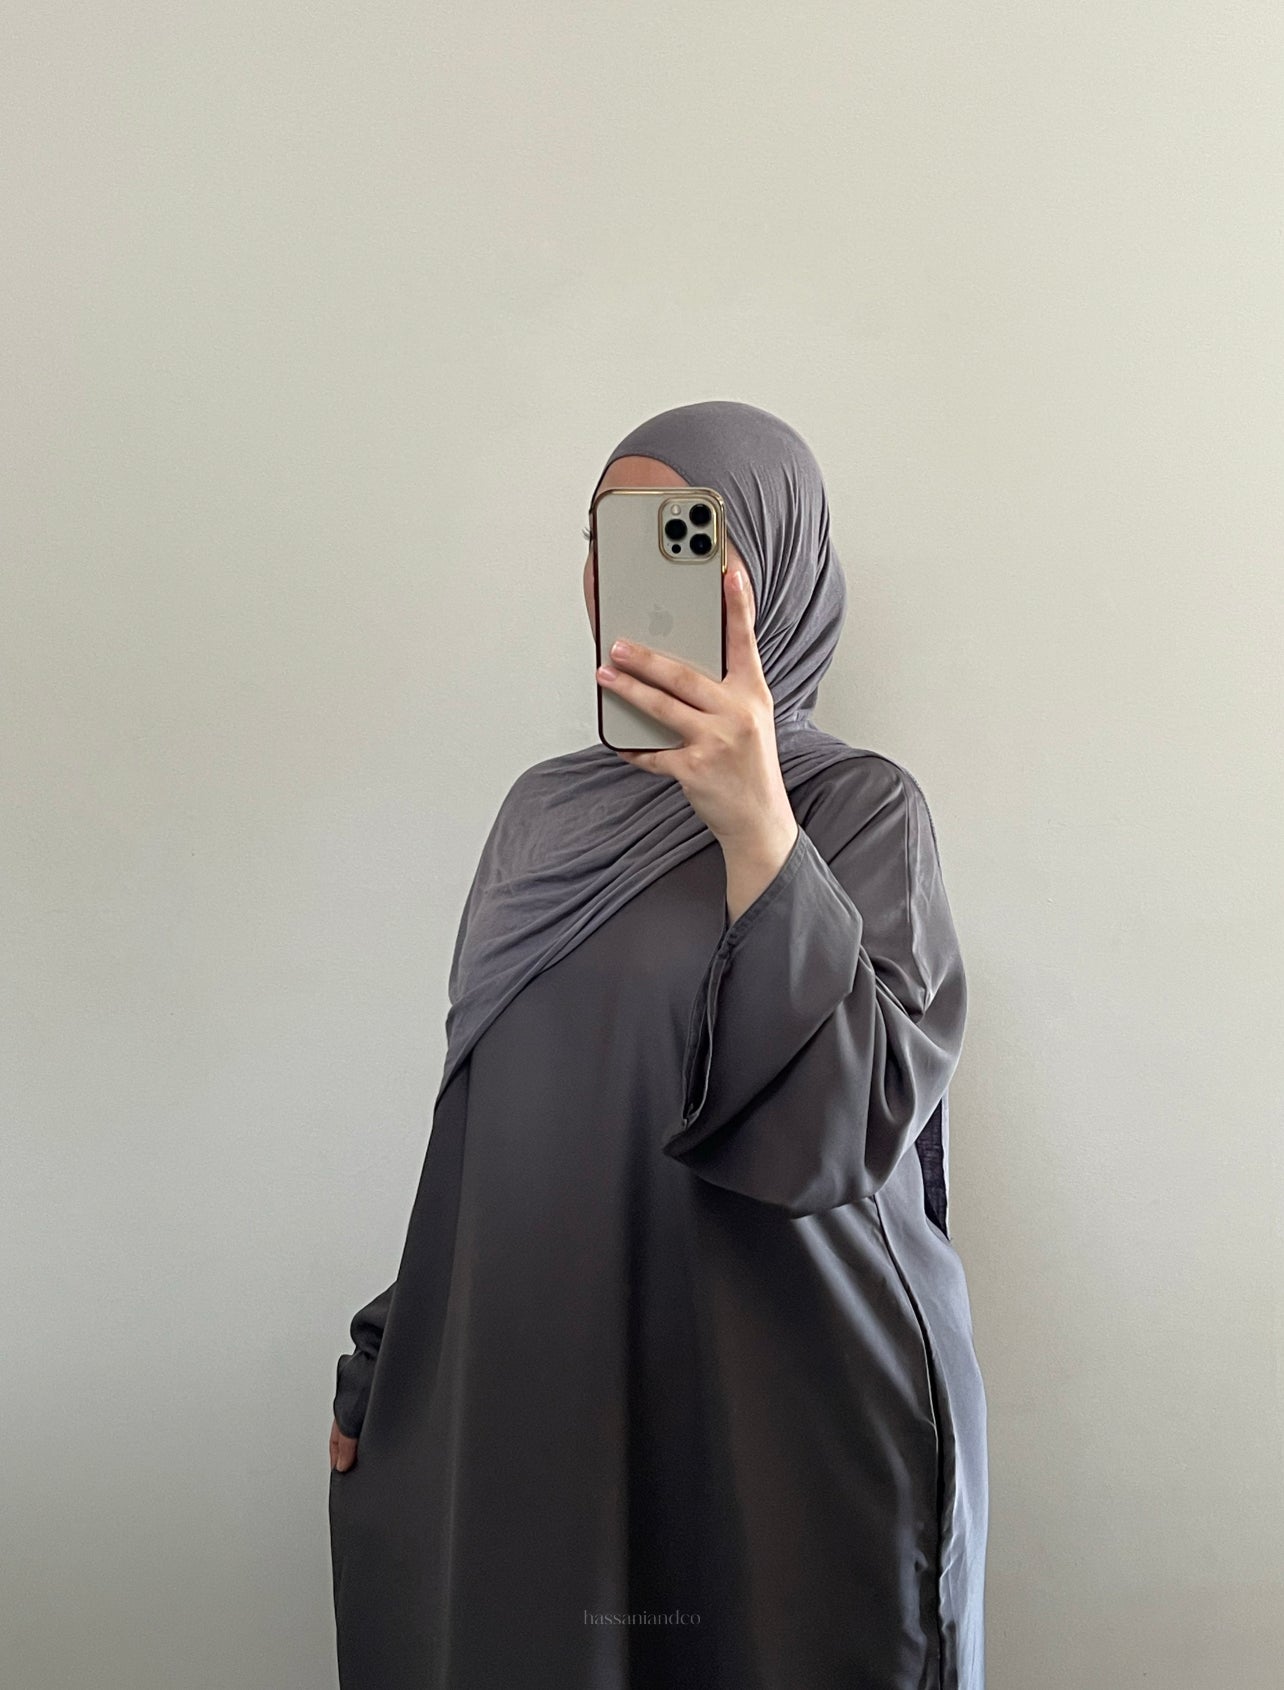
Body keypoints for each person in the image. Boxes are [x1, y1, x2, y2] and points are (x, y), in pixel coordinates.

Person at [327, 399, 989, 1690]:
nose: (623, 573)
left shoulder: (859, 809)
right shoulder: (540, 820)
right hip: (559, 1381)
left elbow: (845, 1131)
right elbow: (490, 1130)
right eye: (609, 535)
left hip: (787, 1406)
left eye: (686, 537)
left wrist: (757, 830)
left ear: (775, 569)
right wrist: (391, 1352)